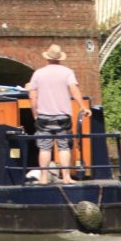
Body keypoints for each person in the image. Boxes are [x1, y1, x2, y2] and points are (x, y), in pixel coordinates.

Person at [25, 44, 88, 185]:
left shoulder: (38, 73)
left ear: (47, 58)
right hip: (63, 117)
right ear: (60, 58)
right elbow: (74, 91)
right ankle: (66, 177)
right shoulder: (67, 72)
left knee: (44, 147)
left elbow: (32, 96)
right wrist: (83, 107)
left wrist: (35, 113)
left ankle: (43, 178)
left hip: (44, 117)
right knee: (64, 146)